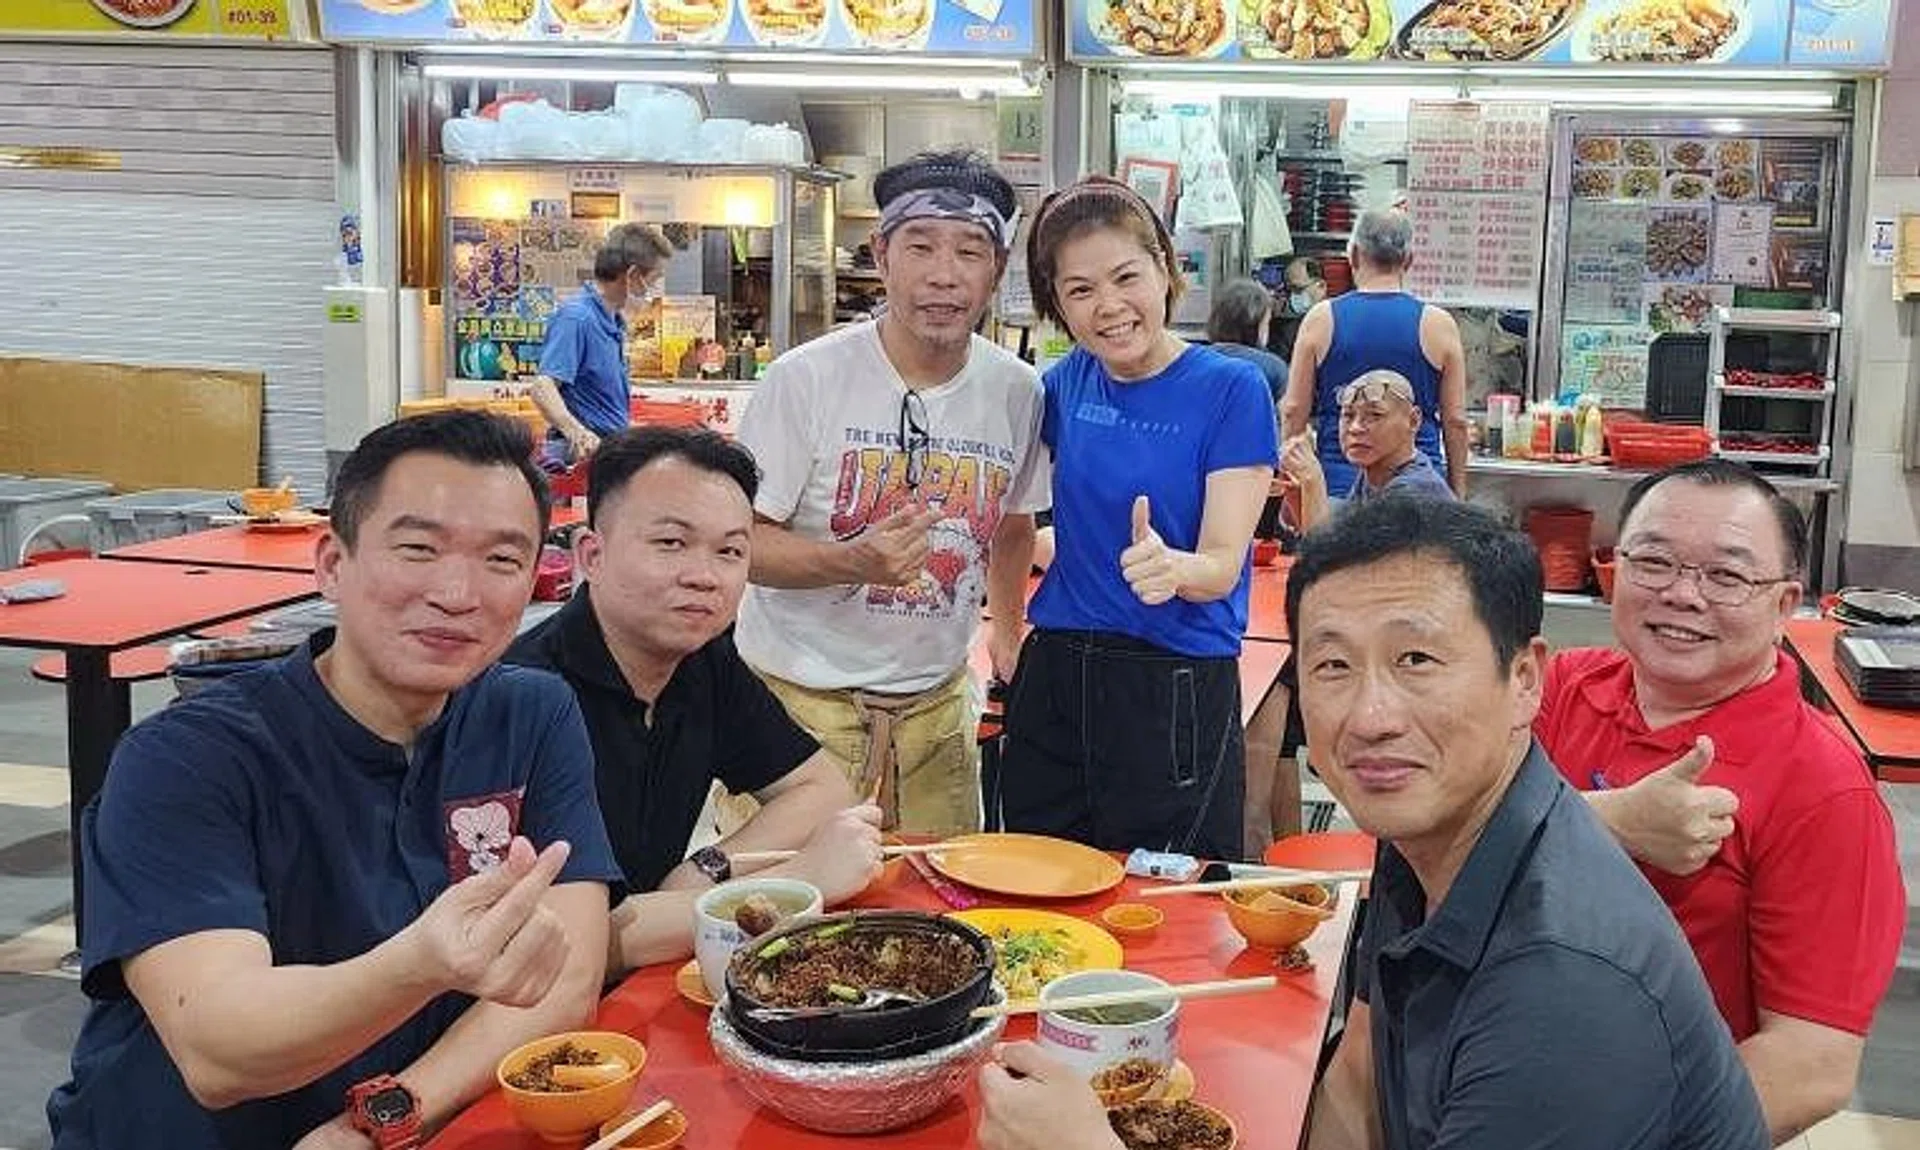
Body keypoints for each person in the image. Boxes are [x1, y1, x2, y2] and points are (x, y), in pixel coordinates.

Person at [977, 497, 1769, 1150]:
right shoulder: (1428, 843)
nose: (1371, 716)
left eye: (1416, 661)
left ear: (1525, 680)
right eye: (1332, 666)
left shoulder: (1564, 992)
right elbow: (1358, 1082)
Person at [48, 411, 625, 1149]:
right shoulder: (187, 758)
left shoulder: (531, 713)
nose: (457, 591)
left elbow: (565, 978)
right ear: (332, 564)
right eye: (418, 549)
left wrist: (386, 1115)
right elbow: (219, 1050)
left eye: (502, 561)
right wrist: (421, 964)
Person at [1536, 459, 1905, 1145]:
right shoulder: (1562, 686)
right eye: (1652, 561)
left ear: (1784, 602)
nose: (1681, 594)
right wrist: (1605, 822)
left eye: (1727, 576)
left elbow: (1809, 1063)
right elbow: (1450, 826)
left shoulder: (1826, 791)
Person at [733, 150, 1048, 837]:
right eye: (921, 246)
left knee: (941, 921)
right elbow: (739, 545)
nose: (944, 274)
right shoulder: (804, 380)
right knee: (788, 925)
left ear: (996, 271)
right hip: (797, 716)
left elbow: (1014, 523)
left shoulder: (1018, 391)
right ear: (881, 255)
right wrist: (856, 562)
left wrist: (1008, 631)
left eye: (971, 250)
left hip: (935, 718)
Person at [506, 426, 885, 976]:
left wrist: (709, 865)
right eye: (671, 543)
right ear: (592, 554)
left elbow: (821, 788)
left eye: (730, 551)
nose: (704, 577)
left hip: (649, 978)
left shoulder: (703, 660)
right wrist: (801, 882)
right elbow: (570, 941)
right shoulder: (525, 695)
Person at [997, 175, 1277, 861]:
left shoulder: (1230, 390)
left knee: (1167, 899)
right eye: (1081, 290)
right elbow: (1011, 521)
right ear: (1057, 303)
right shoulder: (1060, 387)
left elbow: (1220, 564)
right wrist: (1009, 641)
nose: (1110, 307)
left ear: (1166, 269)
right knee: (1041, 879)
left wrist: (1175, 567)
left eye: (1126, 277)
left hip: (1173, 682)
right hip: (1057, 674)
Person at [1280, 209, 1469, 497]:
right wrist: (1457, 492)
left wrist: (1291, 488)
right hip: (1420, 490)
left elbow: (1294, 411)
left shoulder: (1322, 319)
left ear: (1353, 255)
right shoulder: (1438, 324)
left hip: (1337, 487)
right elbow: (1455, 421)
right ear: (1408, 260)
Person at [528, 222, 675, 467]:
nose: (654, 290)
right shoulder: (577, 318)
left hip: (608, 452)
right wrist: (577, 432)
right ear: (631, 276)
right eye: (654, 280)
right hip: (579, 459)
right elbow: (543, 388)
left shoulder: (612, 322)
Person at [1281, 369, 1455, 531]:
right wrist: (1299, 495)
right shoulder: (1374, 475)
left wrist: (1313, 480)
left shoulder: (1416, 490)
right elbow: (1340, 535)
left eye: (1375, 415)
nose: (1355, 428)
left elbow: (1336, 560)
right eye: (1348, 415)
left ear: (1413, 421)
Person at [1205, 276, 1288, 403]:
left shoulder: (1195, 361)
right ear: (1255, 323)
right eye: (1266, 323)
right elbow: (1288, 416)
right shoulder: (1273, 368)